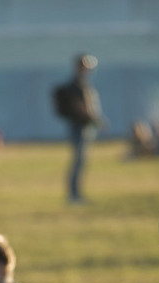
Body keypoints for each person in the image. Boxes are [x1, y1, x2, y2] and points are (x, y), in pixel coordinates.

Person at [56, 53, 103, 204]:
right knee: (78, 161)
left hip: (85, 127)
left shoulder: (82, 84)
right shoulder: (76, 85)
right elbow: (81, 108)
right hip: (79, 127)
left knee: (81, 161)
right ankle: (74, 194)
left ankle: (76, 193)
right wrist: (90, 117)